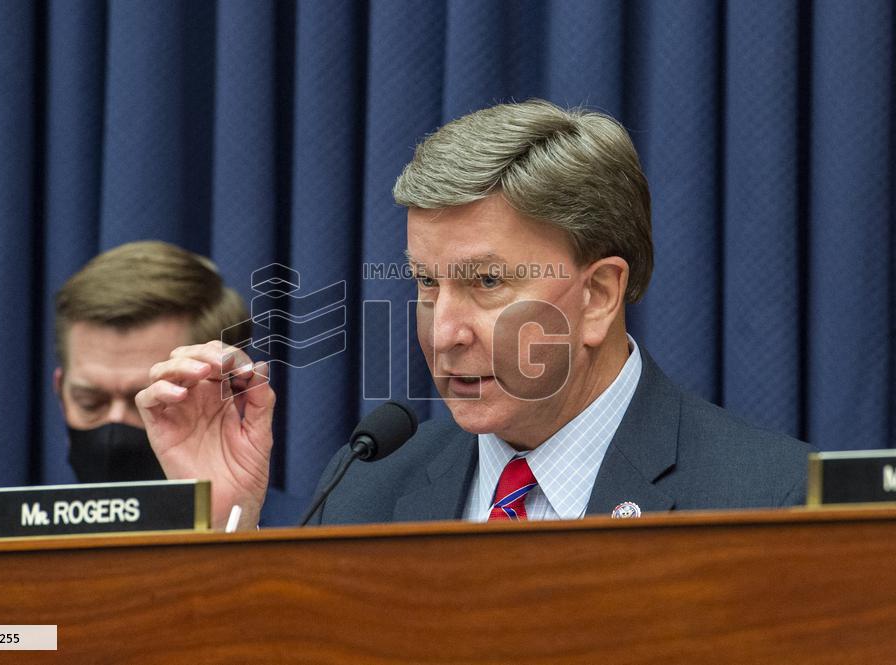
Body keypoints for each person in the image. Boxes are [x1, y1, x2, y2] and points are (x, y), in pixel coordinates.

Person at [136, 100, 810, 530]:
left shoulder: (768, 498)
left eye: (487, 281)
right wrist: (224, 524)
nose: (444, 330)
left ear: (599, 295)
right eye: (427, 284)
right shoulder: (366, 488)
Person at [54, 240, 250, 483]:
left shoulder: (303, 521)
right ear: (61, 393)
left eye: (150, 400)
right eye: (90, 403)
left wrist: (228, 518)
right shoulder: (4, 519)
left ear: (234, 396)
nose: (114, 427)